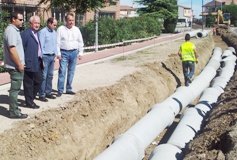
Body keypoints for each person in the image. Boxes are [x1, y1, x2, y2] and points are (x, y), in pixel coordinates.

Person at [3, 12, 28, 119]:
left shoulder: (13, 30)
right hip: (15, 66)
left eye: (22, 19)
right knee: (15, 90)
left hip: (15, 65)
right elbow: (12, 49)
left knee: (15, 89)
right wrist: (19, 64)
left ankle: (14, 108)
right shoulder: (11, 31)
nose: (22, 21)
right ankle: (14, 112)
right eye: (20, 19)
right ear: (13, 19)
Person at [56, 12, 84, 97]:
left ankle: (68, 89)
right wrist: (58, 53)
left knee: (71, 71)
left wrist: (80, 52)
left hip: (74, 53)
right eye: (69, 20)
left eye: (72, 20)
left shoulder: (77, 29)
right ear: (66, 20)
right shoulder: (60, 29)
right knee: (62, 71)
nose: (71, 22)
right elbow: (57, 42)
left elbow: (80, 42)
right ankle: (60, 90)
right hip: (64, 53)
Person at [21, 15, 42, 108]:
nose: (37, 25)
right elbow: (21, 49)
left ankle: (30, 99)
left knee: (39, 80)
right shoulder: (25, 34)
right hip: (28, 62)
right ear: (30, 24)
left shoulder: (38, 33)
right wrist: (22, 62)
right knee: (28, 83)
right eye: (35, 23)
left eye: (38, 23)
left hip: (37, 61)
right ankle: (29, 102)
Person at [38, 17, 58, 102]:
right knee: (43, 76)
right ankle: (41, 94)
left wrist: (56, 54)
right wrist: (41, 58)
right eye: (54, 25)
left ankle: (48, 92)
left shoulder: (54, 32)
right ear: (49, 23)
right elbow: (40, 46)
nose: (55, 26)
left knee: (50, 75)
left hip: (52, 56)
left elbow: (55, 44)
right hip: (45, 57)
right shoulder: (43, 32)